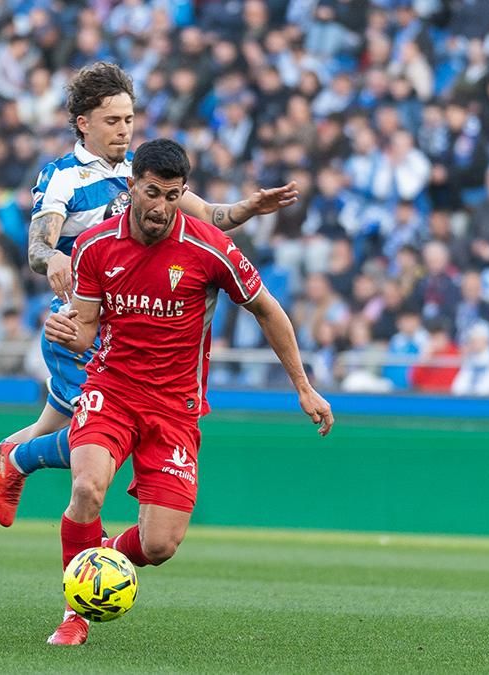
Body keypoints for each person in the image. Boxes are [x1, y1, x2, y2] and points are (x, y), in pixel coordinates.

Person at [0, 63, 300, 570]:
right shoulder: (63, 176)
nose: (124, 129)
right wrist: (52, 258)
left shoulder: (139, 175)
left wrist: (248, 207)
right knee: (91, 442)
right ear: (83, 123)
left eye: (129, 119)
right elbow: (38, 245)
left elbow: (209, 215)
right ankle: (28, 486)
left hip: (123, 328)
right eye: (112, 120)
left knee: (49, 431)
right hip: (80, 328)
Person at [41, 139, 333, 645]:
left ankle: (99, 555)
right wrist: (67, 332)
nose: (161, 207)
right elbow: (86, 331)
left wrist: (304, 388)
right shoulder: (93, 246)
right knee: (87, 488)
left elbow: (267, 309)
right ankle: (75, 614)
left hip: (176, 408)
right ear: (132, 185)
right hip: (112, 390)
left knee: (159, 545)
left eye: (173, 196)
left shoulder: (209, 248)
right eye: (152, 193)